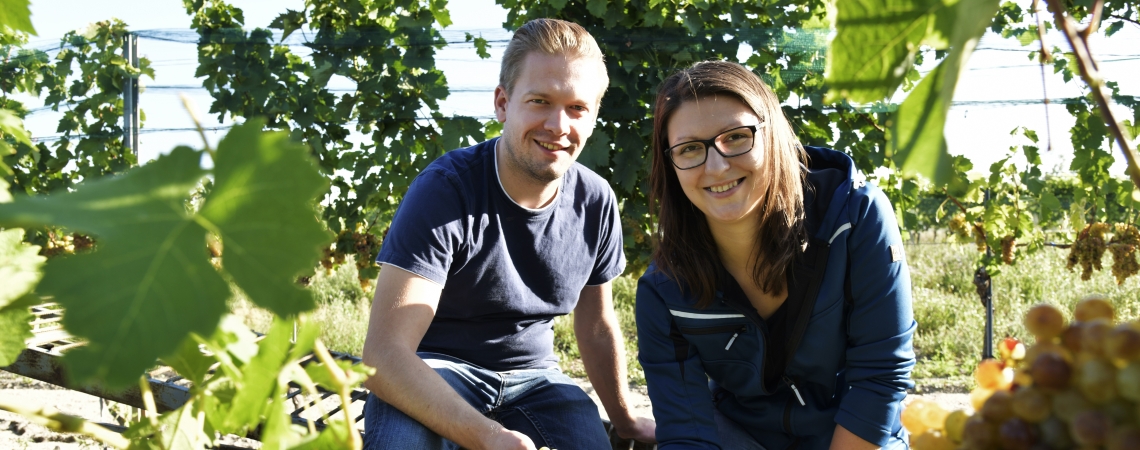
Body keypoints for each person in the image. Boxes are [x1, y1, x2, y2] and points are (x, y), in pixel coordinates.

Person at [360, 18, 656, 450]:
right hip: (434, 369)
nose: (558, 124)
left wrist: (626, 419)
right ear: (503, 103)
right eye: (540, 101)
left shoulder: (596, 200)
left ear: (593, 117)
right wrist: (489, 437)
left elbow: (594, 326)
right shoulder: (447, 190)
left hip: (538, 382)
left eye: (577, 107)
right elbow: (385, 356)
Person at [635, 60, 916, 449]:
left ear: (774, 134)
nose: (715, 166)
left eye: (735, 137)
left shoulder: (856, 218)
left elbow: (881, 376)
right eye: (690, 149)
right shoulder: (663, 289)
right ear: (671, 164)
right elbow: (687, 431)